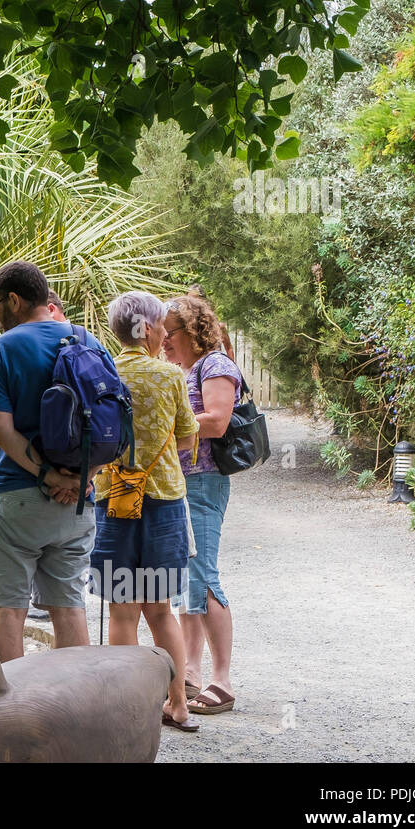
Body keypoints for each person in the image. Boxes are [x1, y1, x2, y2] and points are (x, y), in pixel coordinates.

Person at [0, 261, 115, 661]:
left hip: (17, 498)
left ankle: (13, 717)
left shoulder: (2, 349)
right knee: (69, 605)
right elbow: (113, 425)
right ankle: (75, 715)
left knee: (9, 609)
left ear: (13, 300)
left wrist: (48, 475)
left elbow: (0, 430)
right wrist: (82, 478)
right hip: (77, 504)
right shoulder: (88, 339)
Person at [88, 292, 201, 732]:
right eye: (161, 326)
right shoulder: (170, 376)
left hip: (113, 502)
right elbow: (189, 437)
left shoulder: (100, 374)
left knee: (122, 611)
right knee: (160, 609)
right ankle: (178, 704)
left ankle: (124, 711)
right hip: (163, 505)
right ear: (149, 329)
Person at [163, 293, 241, 715]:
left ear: (191, 330)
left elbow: (218, 419)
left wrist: (162, 430)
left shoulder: (216, 365)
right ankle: (190, 673)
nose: (162, 341)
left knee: (205, 576)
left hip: (203, 483)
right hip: (180, 483)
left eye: (169, 332)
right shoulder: (186, 369)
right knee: (187, 578)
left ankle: (222, 680)